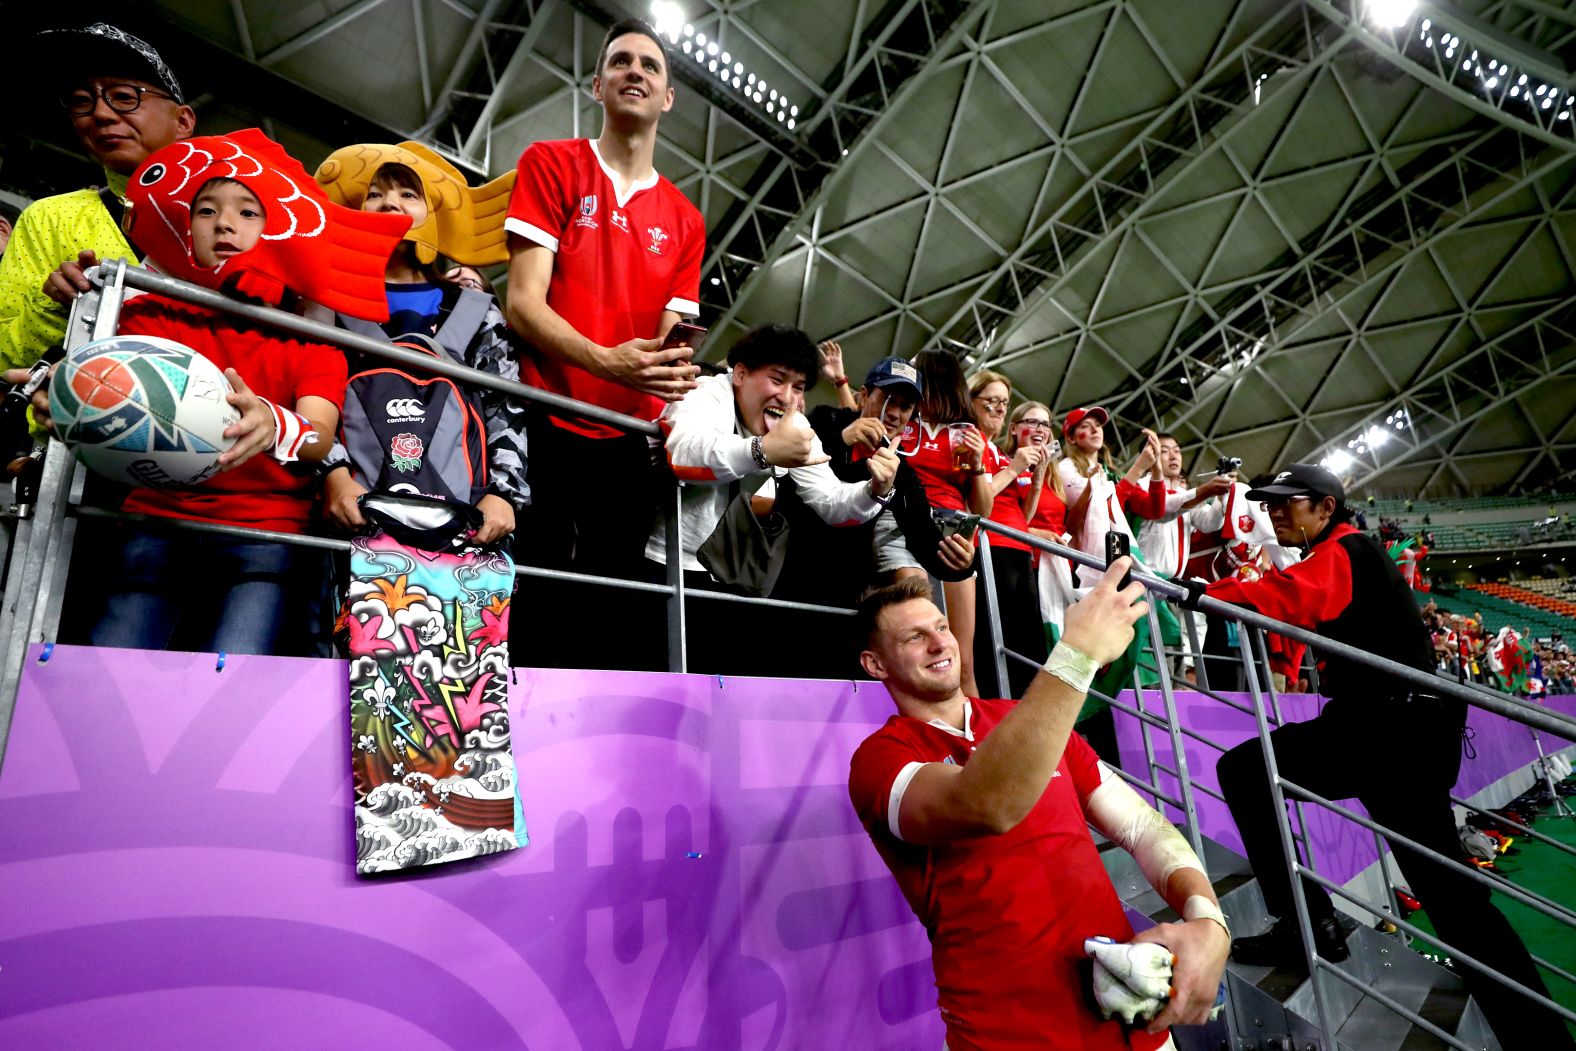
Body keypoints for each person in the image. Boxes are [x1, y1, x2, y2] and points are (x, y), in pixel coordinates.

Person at [1198, 464, 1572, 1049]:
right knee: (1450, 893)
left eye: (1285, 503)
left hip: (1387, 729)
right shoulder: (1347, 551)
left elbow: (1289, 598)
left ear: (1325, 508)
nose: (1273, 512)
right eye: (1266, 505)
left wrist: (1201, 593)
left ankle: (1304, 925)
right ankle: (1536, 1032)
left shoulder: (1346, 549)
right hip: (1397, 727)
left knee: (1245, 770)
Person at [26, 130, 407, 654]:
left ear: (279, 230)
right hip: (152, 522)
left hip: (269, 535)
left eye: (249, 213)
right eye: (206, 210)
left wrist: (277, 423)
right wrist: (68, 401)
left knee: (235, 681)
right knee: (114, 667)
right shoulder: (147, 313)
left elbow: (318, 436)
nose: (224, 222)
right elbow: (84, 382)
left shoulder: (312, 335)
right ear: (187, 227)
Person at [848, 561, 1230, 1051]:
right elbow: (988, 804)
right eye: (914, 638)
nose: (941, 643)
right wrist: (1076, 656)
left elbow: (1140, 825)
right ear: (876, 665)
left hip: (1132, 1024)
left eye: (942, 627)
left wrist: (1208, 922)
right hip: (1008, 1034)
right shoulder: (880, 759)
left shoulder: (1020, 718)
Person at [504, 17, 704, 589]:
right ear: (597, 86)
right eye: (620, 61)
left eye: (649, 65)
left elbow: (670, 344)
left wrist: (674, 372)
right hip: (541, 417)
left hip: (625, 441)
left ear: (668, 97)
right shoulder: (551, 163)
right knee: (534, 594)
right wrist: (605, 360)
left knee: (608, 603)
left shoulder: (686, 221)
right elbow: (522, 303)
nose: (634, 70)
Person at [648, 323, 899, 670]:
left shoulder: (791, 426)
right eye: (777, 380)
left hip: (726, 580)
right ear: (740, 373)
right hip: (659, 568)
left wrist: (876, 490)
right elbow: (684, 454)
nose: (787, 398)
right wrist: (763, 450)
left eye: (798, 387)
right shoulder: (704, 393)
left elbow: (832, 503)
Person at [313, 143, 528, 545]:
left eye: (408, 194)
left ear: (436, 217)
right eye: (373, 194)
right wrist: (334, 477)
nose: (389, 203)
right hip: (353, 512)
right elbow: (310, 391)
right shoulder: (328, 303)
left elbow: (504, 405)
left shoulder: (475, 309)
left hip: (464, 517)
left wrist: (503, 494)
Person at [0, 23, 196, 376]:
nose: (101, 114)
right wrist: (53, 306)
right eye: (81, 102)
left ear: (182, 121)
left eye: (124, 97)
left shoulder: (243, 215)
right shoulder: (48, 218)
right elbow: (4, 356)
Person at [797, 355, 976, 607]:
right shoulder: (826, 421)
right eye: (887, 400)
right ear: (863, 395)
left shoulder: (901, 472)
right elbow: (788, 466)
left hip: (842, 594)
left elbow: (923, 537)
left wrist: (962, 563)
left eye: (905, 406)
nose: (893, 413)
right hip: (789, 571)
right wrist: (841, 440)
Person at [907, 349, 992, 696]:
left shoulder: (968, 433)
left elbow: (982, 509)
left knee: (962, 657)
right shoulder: (903, 422)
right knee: (914, 649)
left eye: (915, 373)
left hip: (954, 528)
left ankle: (977, 746)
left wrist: (978, 464)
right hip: (906, 523)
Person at [968, 370, 1049, 698]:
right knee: (1000, 639)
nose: (1000, 408)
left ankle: (1024, 712)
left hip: (1019, 548)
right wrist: (1014, 468)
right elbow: (980, 504)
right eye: (992, 401)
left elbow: (1024, 515)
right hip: (993, 549)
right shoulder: (974, 443)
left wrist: (1039, 476)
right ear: (971, 401)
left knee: (1027, 643)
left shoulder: (1000, 454)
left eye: (1004, 402)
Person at [1130, 434, 1233, 676]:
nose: (1174, 455)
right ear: (1150, 455)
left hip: (1170, 585)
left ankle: (1169, 699)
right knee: (1155, 652)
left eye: (1177, 449)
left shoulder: (1183, 492)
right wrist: (1202, 492)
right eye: (1165, 450)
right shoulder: (1145, 486)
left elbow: (1209, 523)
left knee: (1173, 650)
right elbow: (1163, 509)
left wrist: (1221, 496)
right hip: (1145, 579)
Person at [1006, 401, 1076, 647]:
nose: (1040, 429)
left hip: (1058, 567)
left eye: (1045, 424)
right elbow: (1002, 518)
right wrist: (1037, 534)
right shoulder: (1005, 465)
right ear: (1014, 428)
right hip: (1025, 565)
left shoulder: (1053, 474)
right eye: (1032, 422)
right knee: (1032, 641)